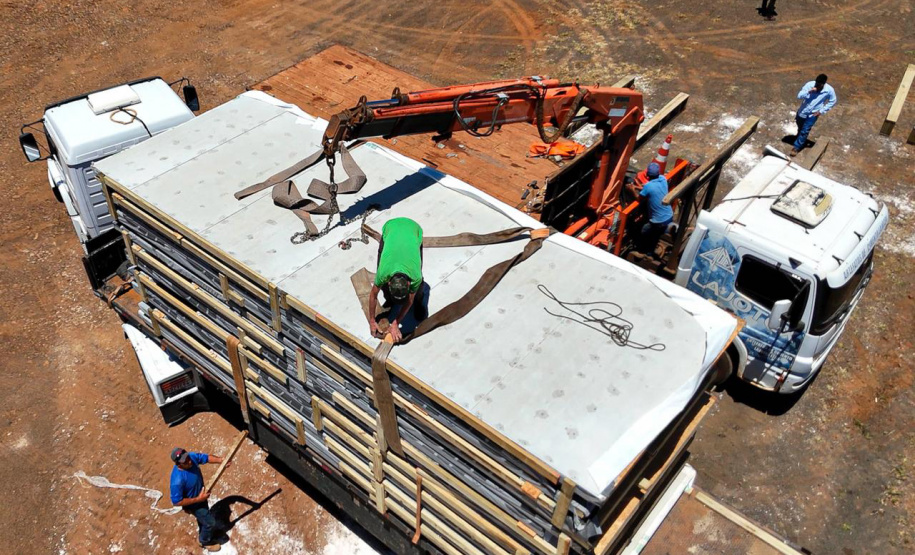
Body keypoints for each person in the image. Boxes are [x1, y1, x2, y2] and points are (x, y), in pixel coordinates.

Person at [368, 217, 427, 343]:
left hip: (414, 230)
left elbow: (409, 300)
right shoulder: (383, 273)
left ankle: (420, 303)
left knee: (419, 289)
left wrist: (395, 323)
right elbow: (373, 295)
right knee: (381, 278)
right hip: (391, 228)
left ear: (408, 283)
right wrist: (372, 321)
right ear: (389, 282)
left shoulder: (416, 276)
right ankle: (390, 298)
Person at [170, 447, 226, 552]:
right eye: (185, 461)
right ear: (179, 464)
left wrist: (221, 461)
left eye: (187, 457)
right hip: (194, 504)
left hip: (201, 497)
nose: (189, 461)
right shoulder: (177, 480)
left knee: (204, 519)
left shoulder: (191, 457)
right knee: (210, 522)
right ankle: (204, 541)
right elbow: (176, 501)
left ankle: (203, 530)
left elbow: (205, 458)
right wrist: (198, 499)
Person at [626, 162, 674, 256]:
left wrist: (631, 189)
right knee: (656, 232)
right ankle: (666, 230)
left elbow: (639, 198)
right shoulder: (663, 179)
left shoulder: (648, 186)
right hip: (669, 215)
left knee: (644, 231)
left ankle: (645, 252)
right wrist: (640, 187)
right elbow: (652, 188)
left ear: (647, 175)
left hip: (658, 221)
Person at [791, 74, 837, 156]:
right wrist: (809, 92)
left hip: (813, 114)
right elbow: (799, 96)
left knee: (805, 130)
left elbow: (832, 101)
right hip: (803, 111)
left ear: (823, 84)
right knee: (800, 125)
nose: (818, 86)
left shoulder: (829, 90)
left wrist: (821, 111)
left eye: (820, 85)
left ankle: (796, 147)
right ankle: (800, 135)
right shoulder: (809, 85)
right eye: (817, 84)